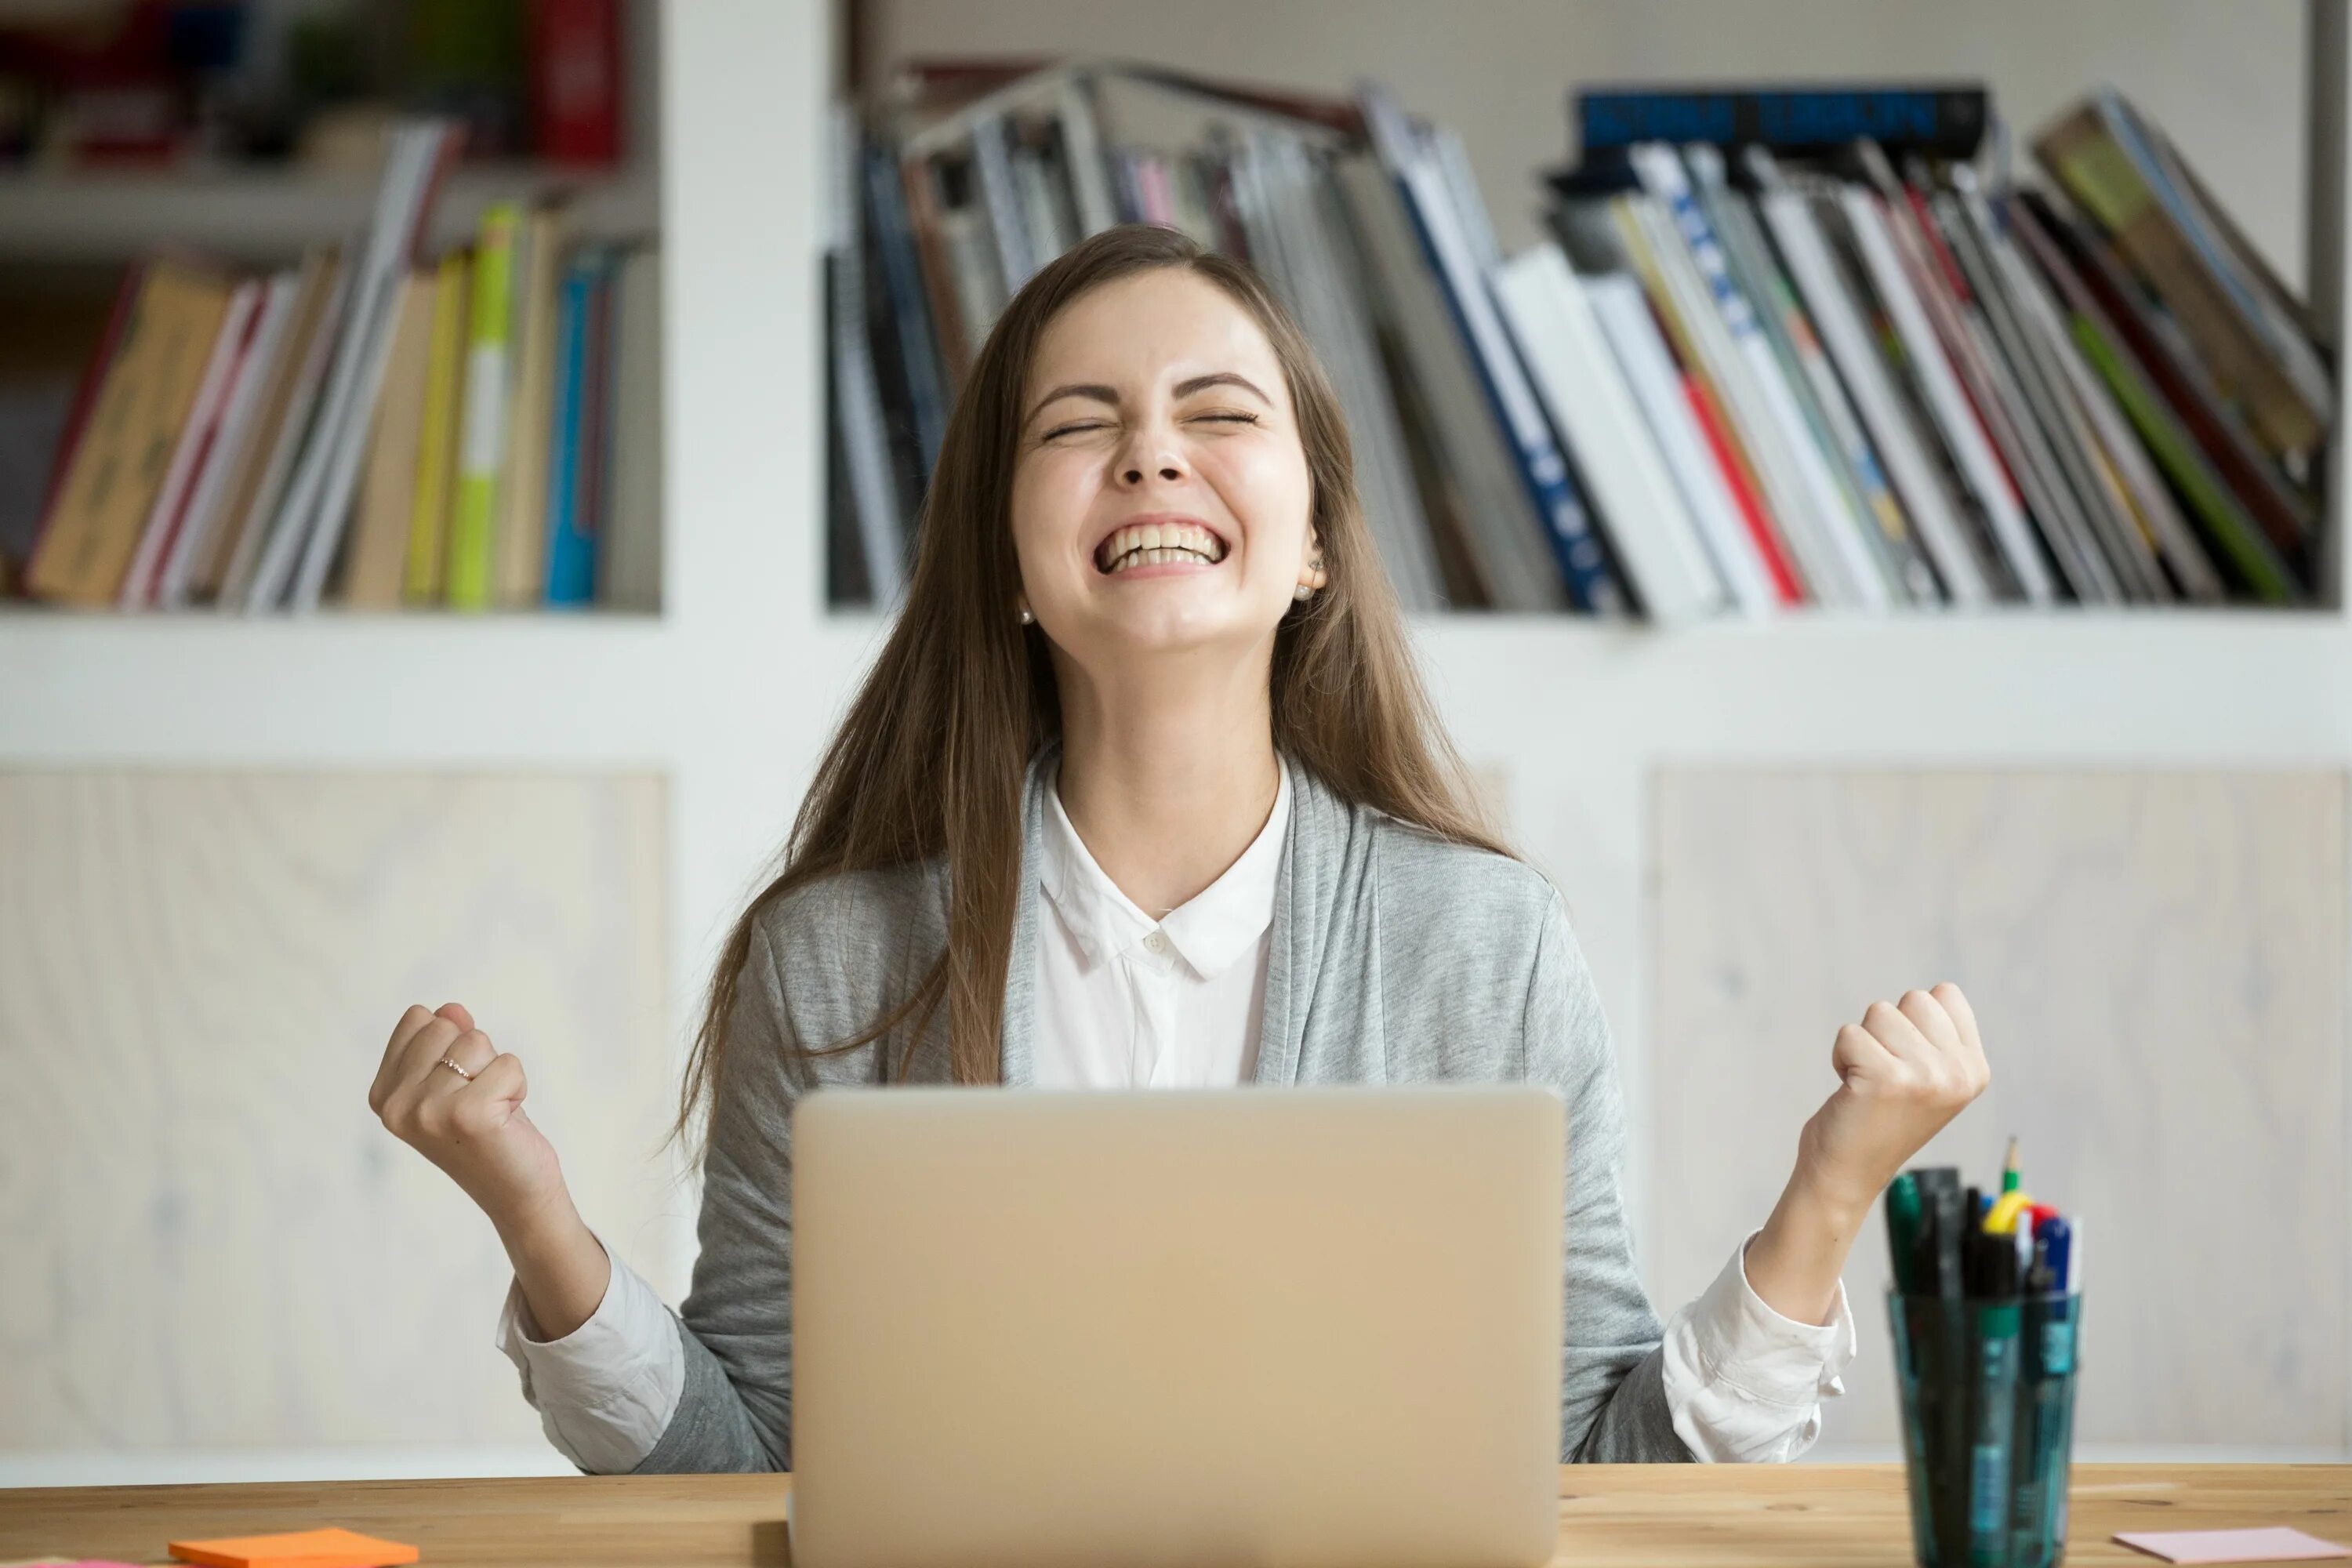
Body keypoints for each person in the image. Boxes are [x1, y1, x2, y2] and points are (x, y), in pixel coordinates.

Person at [367, 223, 1990, 1473]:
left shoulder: (1486, 948)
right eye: (1084, 423)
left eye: (1218, 413)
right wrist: (539, 1223)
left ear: (1311, 548)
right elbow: (746, 1467)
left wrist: (1833, 1183)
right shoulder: (838, 961)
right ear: (1008, 553)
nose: (1152, 452)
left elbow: (1600, 1474)